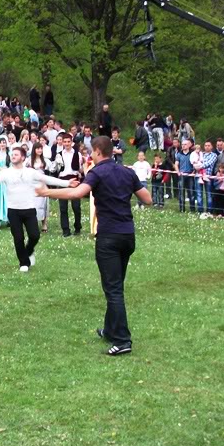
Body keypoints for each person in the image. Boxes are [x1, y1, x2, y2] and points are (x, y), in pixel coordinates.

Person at [37, 136, 152, 356]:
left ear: (99, 151)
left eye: (92, 151)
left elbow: (77, 193)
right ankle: (110, 329)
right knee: (116, 284)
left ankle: (123, 340)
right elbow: (146, 199)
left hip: (108, 236)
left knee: (113, 289)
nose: (90, 154)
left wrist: (46, 192)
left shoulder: (97, 172)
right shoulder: (128, 171)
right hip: (127, 235)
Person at [0, 145, 75, 272]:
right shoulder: (5, 172)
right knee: (18, 237)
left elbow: (47, 179)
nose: (13, 156)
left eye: (16, 154)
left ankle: (29, 251)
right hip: (13, 210)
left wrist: (67, 183)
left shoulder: (30, 172)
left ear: (22, 157)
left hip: (28, 208)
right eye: (12, 154)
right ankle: (24, 263)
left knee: (34, 235)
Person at [53, 132, 84, 236]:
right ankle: (65, 230)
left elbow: (80, 169)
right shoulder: (59, 155)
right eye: (64, 142)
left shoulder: (77, 154)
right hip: (63, 180)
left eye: (68, 142)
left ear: (72, 142)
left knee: (76, 206)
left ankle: (77, 227)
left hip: (74, 179)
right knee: (63, 207)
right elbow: (56, 170)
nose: (66, 143)